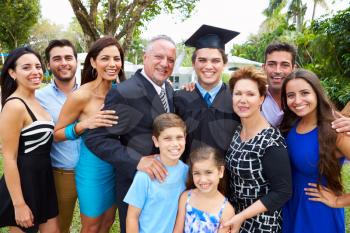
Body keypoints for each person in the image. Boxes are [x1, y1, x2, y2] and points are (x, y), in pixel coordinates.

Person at [83, 35, 176, 233]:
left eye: (171, 60)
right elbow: (95, 138)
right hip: (136, 185)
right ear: (145, 57)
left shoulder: (168, 88)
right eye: (158, 57)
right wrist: (137, 160)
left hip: (164, 185)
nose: (164, 64)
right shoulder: (124, 92)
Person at [54, 37, 124, 233]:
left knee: (108, 222)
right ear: (93, 62)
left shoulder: (122, 92)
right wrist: (84, 125)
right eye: (105, 58)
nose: (112, 64)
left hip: (117, 168)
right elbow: (57, 134)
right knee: (92, 226)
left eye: (116, 59)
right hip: (92, 170)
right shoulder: (81, 96)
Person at [222, 67, 292, 233]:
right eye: (238, 93)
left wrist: (242, 216)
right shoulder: (238, 131)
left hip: (261, 224)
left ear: (261, 98)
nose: (242, 100)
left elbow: (283, 191)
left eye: (250, 94)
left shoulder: (270, 141)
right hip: (235, 218)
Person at [280, 69, 350, 233]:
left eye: (305, 93)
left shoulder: (335, 129)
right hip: (291, 208)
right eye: (291, 95)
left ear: (317, 93)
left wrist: (339, 201)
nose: (297, 100)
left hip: (318, 214)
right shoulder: (292, 124)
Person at [0, 47, 59, 232]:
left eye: (38, 66)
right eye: (26, 67)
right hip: (24, 184)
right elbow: (9, 158)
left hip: (44, 179)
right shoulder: (15, 105)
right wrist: (18, 204)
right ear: (12, 73)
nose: (35, 72)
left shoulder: (37, 101)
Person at [174, 24, 240, 161]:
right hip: (189, 177)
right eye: (202, 60)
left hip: (229, 178)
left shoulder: (237, 98)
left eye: (215, 61)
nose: (208, 66)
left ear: (224, 64)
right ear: (193, 64)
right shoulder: (180, 98)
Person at [36, 39, 80, 233]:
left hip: (95, 171)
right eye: (57, 58)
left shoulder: (91, 92)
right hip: (62, 173)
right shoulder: (38, 97)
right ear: (48, 64)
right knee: (60, 227)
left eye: (68, 57)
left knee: (96, 225)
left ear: (76, 61)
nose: (64, 62)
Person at [124, 113, 188, 233]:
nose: (175, 143)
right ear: (156, 141)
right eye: (167, 138)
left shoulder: (188, 173)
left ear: (185, 138)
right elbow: (132, 217)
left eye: (179, 137)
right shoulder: (145, 175)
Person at [173, 146, 235, 233]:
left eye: (208, 172)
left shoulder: (226, 211)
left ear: (220, 171)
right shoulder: (186, 197)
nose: (203, 180)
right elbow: (177, 230)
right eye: (197, 173)